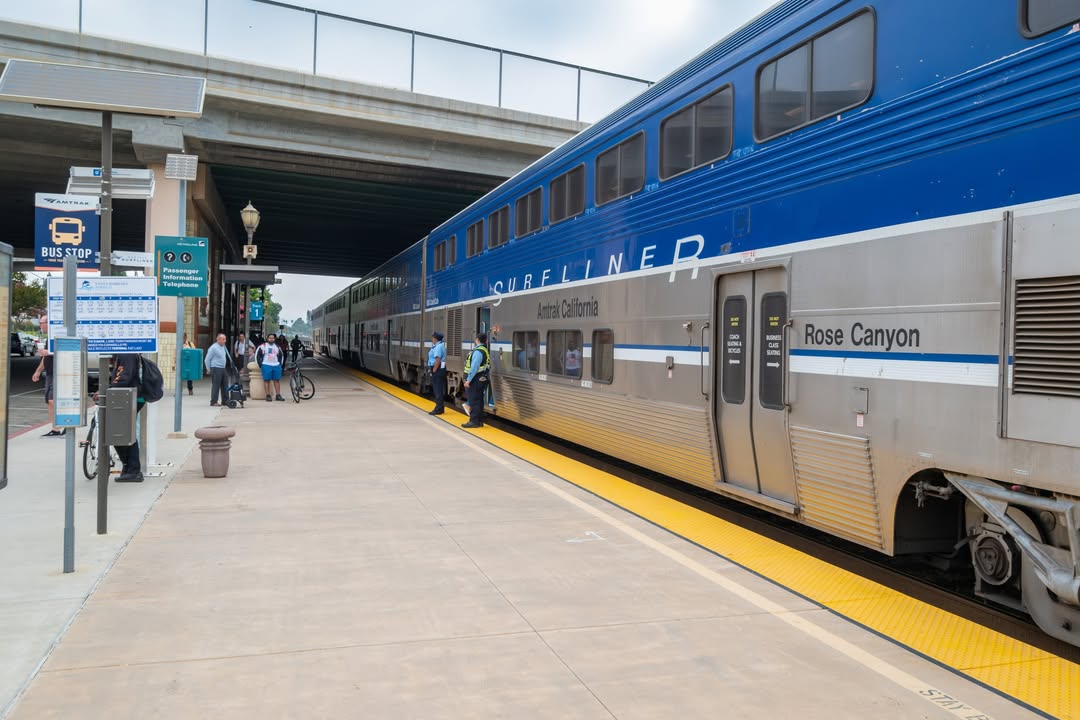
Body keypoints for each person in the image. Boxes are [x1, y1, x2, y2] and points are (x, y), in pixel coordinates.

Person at [109, 353, 145, 482]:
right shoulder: (126, 354)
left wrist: (109, 390)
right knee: (123, 433)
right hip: (128, 397)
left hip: (128, 397)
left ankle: (133, 470)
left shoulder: (127, 354)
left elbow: (123, 377)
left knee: (122, 433)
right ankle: (129, 468)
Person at [31, 346, 64, 437]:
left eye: (42, 329)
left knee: (52, 400)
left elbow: (67, 352)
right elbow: (45, 357)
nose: (41, 330)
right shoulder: (49, 338)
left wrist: (49, 352)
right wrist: (38, 371)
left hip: (60, 373)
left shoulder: (62, 333)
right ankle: (55, 429)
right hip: (50, 373)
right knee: (49, 401)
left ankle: (66, 423)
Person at [461, 332, 490, 429]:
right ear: (486, 340)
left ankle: (474, 421)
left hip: (475, 378)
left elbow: (474, 367)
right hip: (480, 378)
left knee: (474, 400)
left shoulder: (478, 351)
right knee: (478, 399)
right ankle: (479, 421)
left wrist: (468, 380)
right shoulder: (484, 350)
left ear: (477, 340)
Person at [257, 332, 285, 401]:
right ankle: (268, 395)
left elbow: (281, 355)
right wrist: (260, 365)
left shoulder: (277, 346)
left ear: (274, 339)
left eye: (273, 338)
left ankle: (278, 395)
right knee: (267, 380)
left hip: (276, 365)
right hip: (266, 365)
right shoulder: (263, 346)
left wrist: (279, 364)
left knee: (277, 380)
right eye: (270, 338)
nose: (271, 339)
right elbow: (257, 355)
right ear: (267, 339)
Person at [205, 333, 230, 406]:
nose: (225, 341)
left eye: (225, 339)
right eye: (223, 339)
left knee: (225, 384)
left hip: (223, 368)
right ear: (218, 339)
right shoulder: (213, 348)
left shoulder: (223, 346)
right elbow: (207, 359)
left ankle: (225, 400)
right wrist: (208, 368)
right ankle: (213, 401)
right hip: (215, 368)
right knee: (216, 385)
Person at [427, 331, 446, 415]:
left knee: (437, 389)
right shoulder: (439, 345)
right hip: (439, 369)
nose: (432, 339)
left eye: (433, 338)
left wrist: (434, 370)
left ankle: (438, 408)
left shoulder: (438, 347)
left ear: (435, 339)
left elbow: (437, 360)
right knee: (438, 389)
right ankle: (440, 407)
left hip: (437, 369)